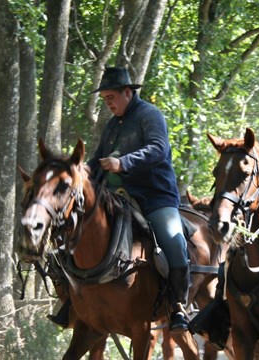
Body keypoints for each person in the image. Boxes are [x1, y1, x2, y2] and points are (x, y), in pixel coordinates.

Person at [48, 67, 191, 333]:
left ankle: (178, 306)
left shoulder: (150, 114)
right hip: (116, 199)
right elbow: (97, 160)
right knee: (73, 233)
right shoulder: (112, 125)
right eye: (104, 99)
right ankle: (73, 301)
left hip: (154, 197)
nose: (108, 103)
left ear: (128, 92)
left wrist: (123, 162)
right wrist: (78, 172)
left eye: (111, 97)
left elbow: (159, 149)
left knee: (173, 239)